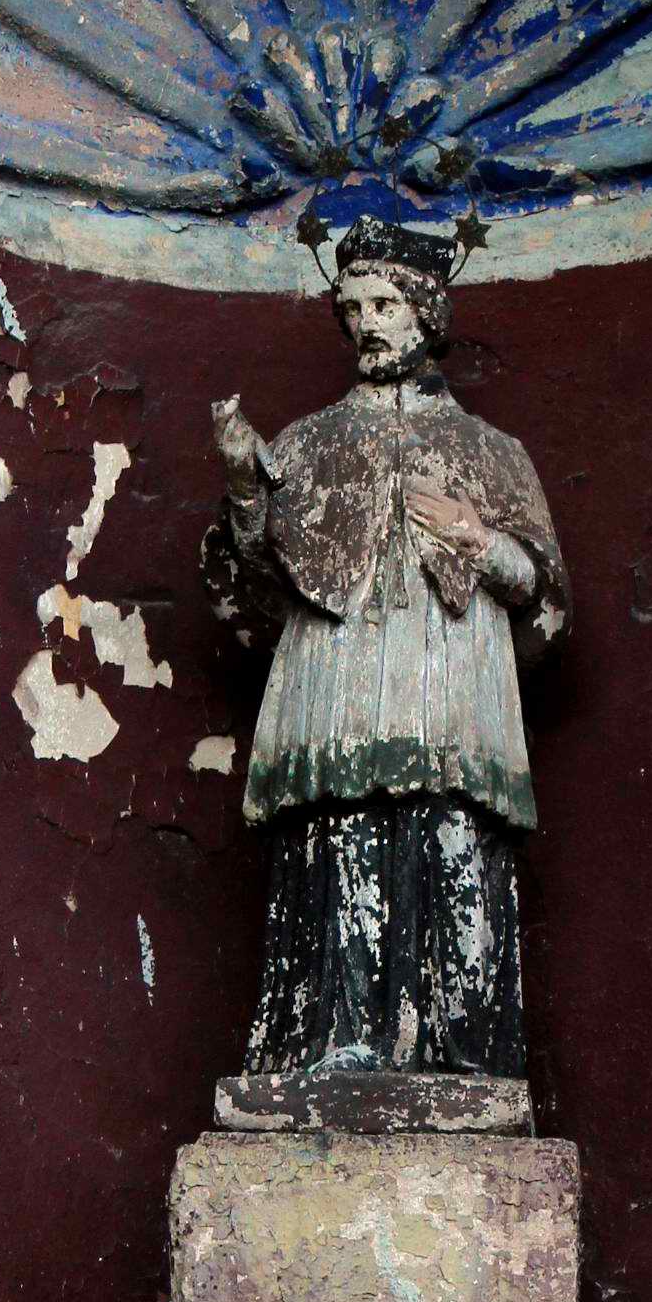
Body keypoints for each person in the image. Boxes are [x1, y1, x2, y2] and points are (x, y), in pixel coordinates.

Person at [205, 187, 569, 1079]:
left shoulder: (490, 451)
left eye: (383, 304)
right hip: (335, 673)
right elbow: (256, 587)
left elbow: (543, 595)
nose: (366, 324)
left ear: (425, 311)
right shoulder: (309, 442)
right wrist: (247, 489)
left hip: (451, 675)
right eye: (353, 308)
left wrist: (479, 540)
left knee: (451, 833)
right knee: (340, 835)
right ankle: (332, 1039)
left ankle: (454, 1048)